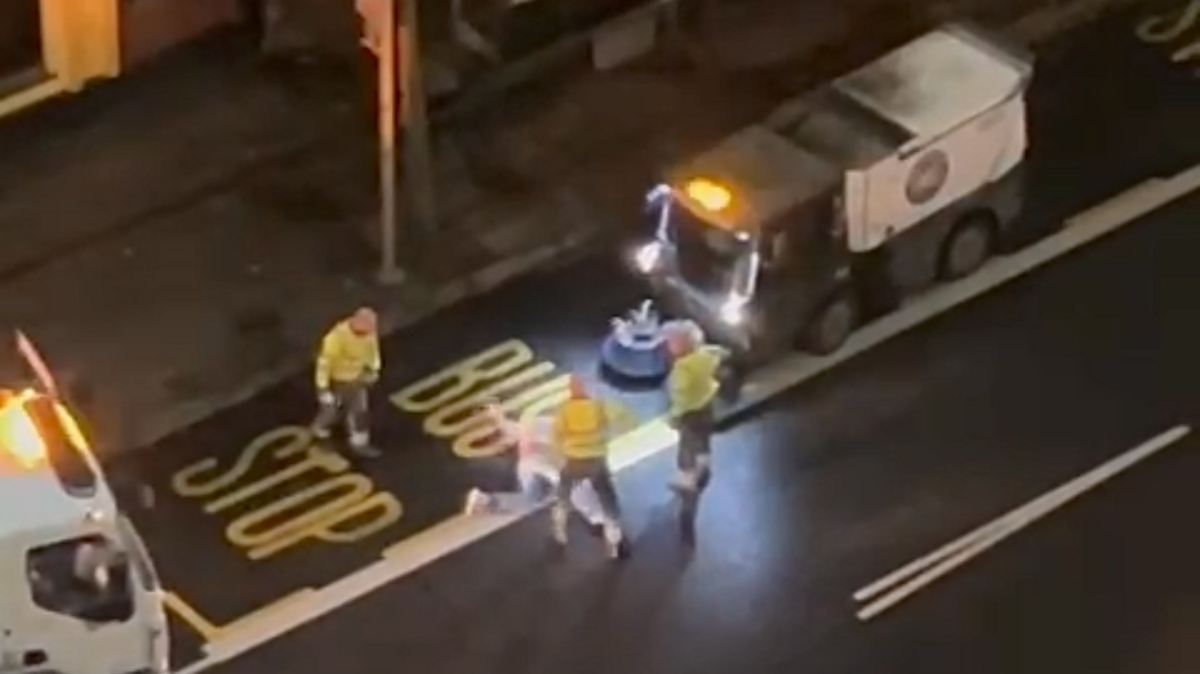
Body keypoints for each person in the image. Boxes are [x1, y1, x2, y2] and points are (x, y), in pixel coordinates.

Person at [462, 403, 607, 531]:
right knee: (542, 492)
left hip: (548, 459)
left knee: (540, 495)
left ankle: (487, 501)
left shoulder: (535, 428)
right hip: (539, 460)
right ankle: (599, 518)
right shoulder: (525, 434)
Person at [550, 376, 626, 559]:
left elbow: (556, 436)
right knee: (608, 500)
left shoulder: (564, 410)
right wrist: (606, 435)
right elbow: (624, 419)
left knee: (563, 495)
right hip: (597, 461)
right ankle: (613, 541)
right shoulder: (598, 406)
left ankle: (560, 531)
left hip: (573, 460)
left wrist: (564, 452)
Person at [311, 307, 382, 457]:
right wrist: (323, 389)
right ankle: (319, 433)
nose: (371, 331)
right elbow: (324, 365)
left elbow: (372, 352)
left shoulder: (368, 333)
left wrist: (372, 369)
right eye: (368, 327)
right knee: (331, 412)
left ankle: (359, 443)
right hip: (336, 381)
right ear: (357, 322)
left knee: (359, 412)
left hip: (356, 380)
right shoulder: (335, 339)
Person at [665, 325, 726, 494]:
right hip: (707, 404)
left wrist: (674, 416)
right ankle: (704, 462)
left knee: (687, 445)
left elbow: (681, 396)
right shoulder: (705, 355)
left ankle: (687, 478)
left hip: (689, 413)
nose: (668, 345)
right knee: (703, 437)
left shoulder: (682, 368)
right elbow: (719, 353)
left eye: (671, 342)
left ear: (680, 346)